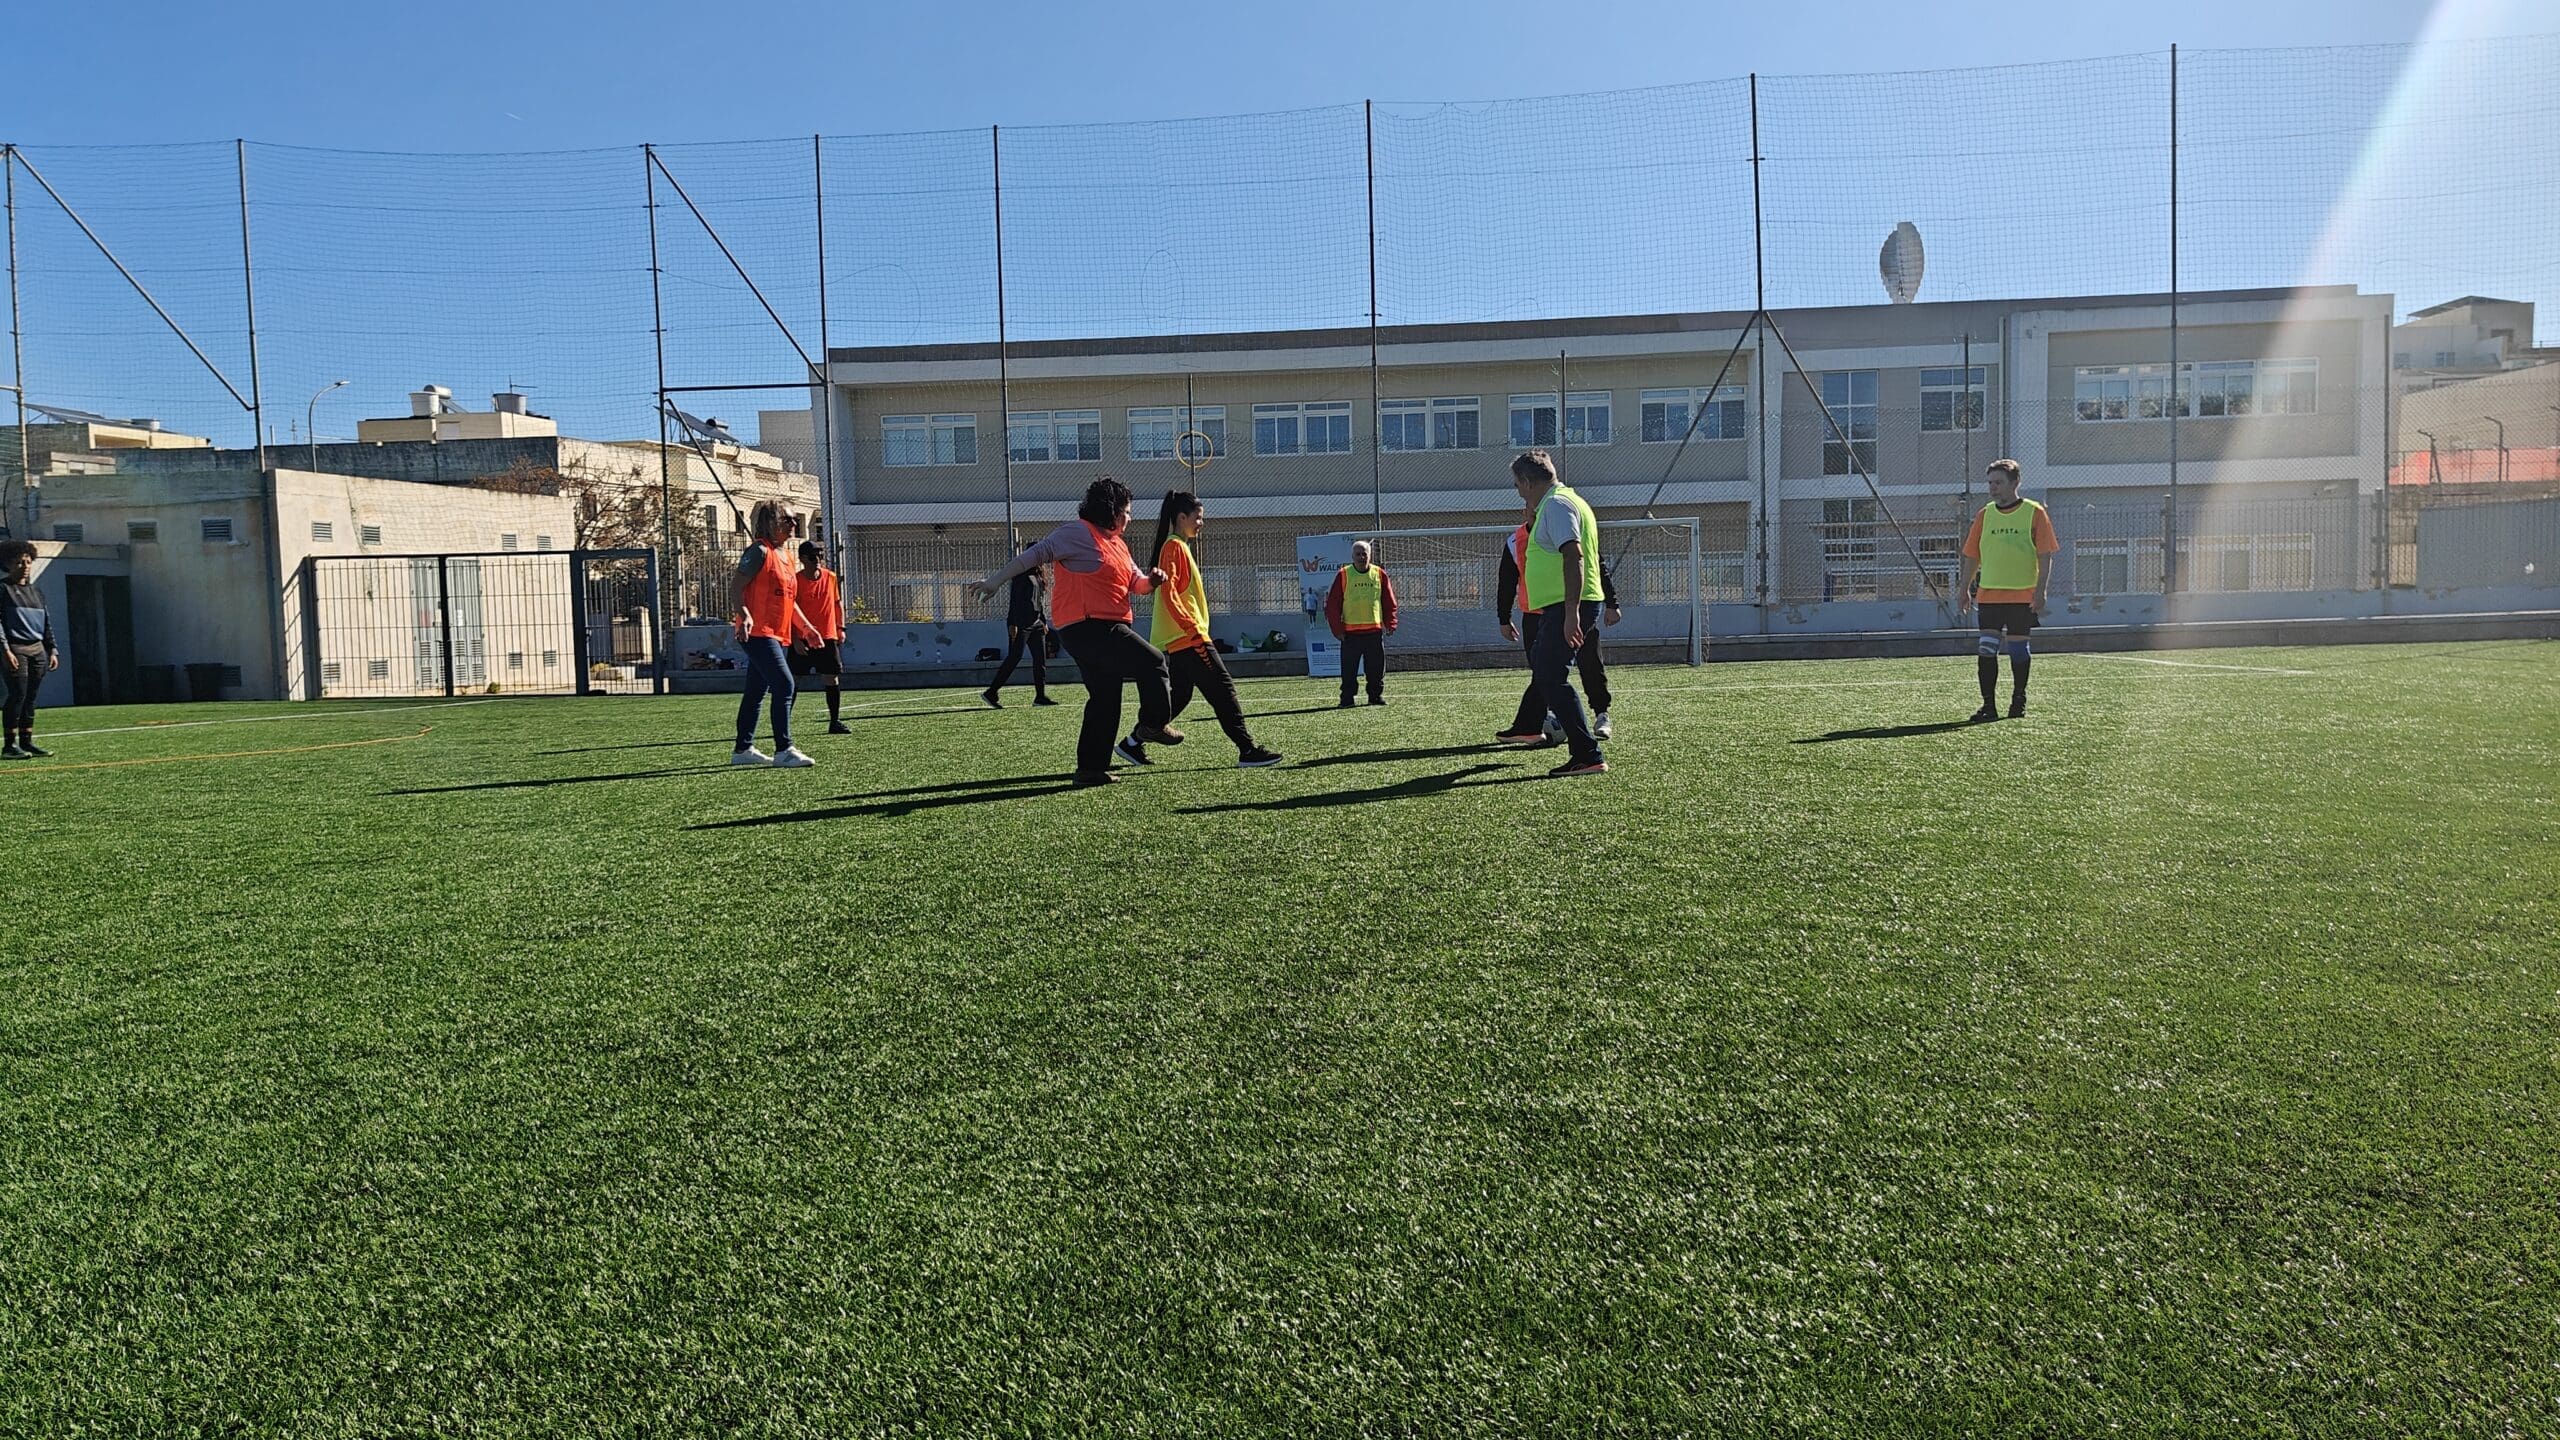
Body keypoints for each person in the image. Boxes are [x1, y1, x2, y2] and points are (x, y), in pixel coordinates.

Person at [967, 476, 1185, 787]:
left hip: (1103, 627)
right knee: (1153, 662)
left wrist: (1153, 580)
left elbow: (1136, 584)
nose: (1129, 518)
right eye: (1126, 511)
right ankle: (1152, 725)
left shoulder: (1119, 545)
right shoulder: (1076, 533)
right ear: (1110, 510)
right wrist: (995, 581)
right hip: (1089, 626)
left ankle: (1090, 770)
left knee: (1105, 697)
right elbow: (1033, 555)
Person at [1132, 490, 1282, 769]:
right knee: (1223, 691)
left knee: (1180, 695)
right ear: (1181, 517)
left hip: (1184, 639)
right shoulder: (1174, 547)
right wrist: (1193, 631)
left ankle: (1132, 742)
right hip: (1189, 638)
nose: (1201, 523)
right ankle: (1247, 750)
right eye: (1198, 518)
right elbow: (1170, 594)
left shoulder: (1178, 546)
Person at [1509, 449, 1607, 777]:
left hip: (1569, 605)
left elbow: (1573, 556)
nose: (1518, 492)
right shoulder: (1562, 502)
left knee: (1551, 675)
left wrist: (1571, 613)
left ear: (1527, 481)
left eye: (1518, 485)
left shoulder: (1557, 504)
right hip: (1562, 605)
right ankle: (1535, 728)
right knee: (1545, 669)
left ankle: (1587, 754)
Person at [1494, 511, 1623, 744]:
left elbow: (1596, 565)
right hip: (1536, 615)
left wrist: (1612, 603)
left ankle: (1601, 715)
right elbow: (1506, 582)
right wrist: (1504, 618)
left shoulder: (1566, 528)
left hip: (1577, 609)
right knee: (1543, 672)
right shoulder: (1515, 542)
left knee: (1590, 662)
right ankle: (1536, 723)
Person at [1955, 458, 2059, 722]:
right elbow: (1971, 556)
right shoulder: (1984, 515)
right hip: (1989, 595)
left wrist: (2040, 591)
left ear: (2015, 483)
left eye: (1999, 482)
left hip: (2022, 596)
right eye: (1990, 482)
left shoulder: (2034, 512)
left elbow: (2045, 555)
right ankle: (1988, 706)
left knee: (2017, 650)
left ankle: (2018, 699)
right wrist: (1964, 588)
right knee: (1986, 649)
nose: (1993, 488)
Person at [730, 507, 823, 768]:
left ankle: (742, 749)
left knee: (756, 690)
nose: (794, 523)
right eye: (787, 518)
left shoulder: (786, 557)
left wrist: (806, 628)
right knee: (784, 684)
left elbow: (790, 602)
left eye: (794, 519)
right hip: (758, 633)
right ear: (770, 522)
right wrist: (743, 613)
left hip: (777, 634)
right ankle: (784, 749)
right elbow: (736, 586)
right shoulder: (758, 552)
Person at [980, 542, 1058, 708]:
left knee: (1040, 659)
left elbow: (1039, 601)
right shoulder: (1021, 575)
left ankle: (1040, 696)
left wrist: (1043, 621)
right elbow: (1014, 601)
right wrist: (1012, 623)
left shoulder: (1038, 576)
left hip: (1036, 623)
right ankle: (991, 692)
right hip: (1021, 623)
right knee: (1013, 658)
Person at [2, 540, 60, 759]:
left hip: (38, 649)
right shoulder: (3, 589)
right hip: (15, 647)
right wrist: (5, 649)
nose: (25, 566)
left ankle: (27, 742)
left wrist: (52, 649)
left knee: (31, 697)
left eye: (28, 561)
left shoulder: (37, 592)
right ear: (8, 564)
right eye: (19, 562)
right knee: (17, 694)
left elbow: (46, 623)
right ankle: (9, 745)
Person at [1323, 540, 1399, 707]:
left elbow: (1389, 601)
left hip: (1374, 632)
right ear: (1352, 556)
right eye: (1358, 554)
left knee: (1376, 669)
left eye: (1364, 553)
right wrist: (1337, 629)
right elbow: (1332, 605)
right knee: (1349, 671)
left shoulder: (1379, 574)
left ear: (1370, 555)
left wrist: (1390, 622)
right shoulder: (1343, 574)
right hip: (1350, 634)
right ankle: (1347, 699)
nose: (1361, 556)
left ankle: (1375, 697)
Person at [788, 540, 851, 735]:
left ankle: (834, 722)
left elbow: (837, 603)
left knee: (831, 678)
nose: (818, 560)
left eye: (820, 556)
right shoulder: (795, 581)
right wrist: (795, 639)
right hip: (803, 638)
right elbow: (789, 611)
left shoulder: (830, 577)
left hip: (827, 636)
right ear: (803, 559)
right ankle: (784, 723)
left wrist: (840, 628)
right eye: (813, 557)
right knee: (794, 680)